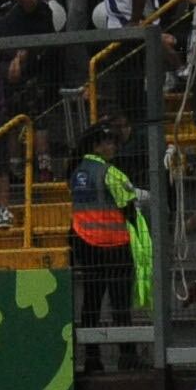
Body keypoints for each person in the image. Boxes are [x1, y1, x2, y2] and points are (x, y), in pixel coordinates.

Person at [62, 121, 149, 343]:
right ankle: (127, 356)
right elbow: (130, 209)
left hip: (85, 245)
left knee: (91, 303)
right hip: (115, 247)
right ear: (97, 146)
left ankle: (92, 358)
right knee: (120, 304)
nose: (114, 147)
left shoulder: (75, 172)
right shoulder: (111, 173)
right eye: (110, 142)